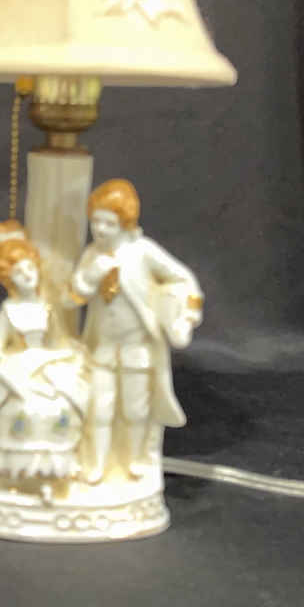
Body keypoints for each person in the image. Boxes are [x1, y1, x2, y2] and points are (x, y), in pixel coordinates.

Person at [68, 179, 203, 482]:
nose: (100, 229)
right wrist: (91, 276)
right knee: (99, 408)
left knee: (135, 408)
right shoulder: (92, 254)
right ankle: (97, 463)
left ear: (125, 223)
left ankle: (136, 458)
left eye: (109, 223)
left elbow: (184, 279)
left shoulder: (142, 252)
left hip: (137, 347)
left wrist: (185, 315)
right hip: (101, 347)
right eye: (96, 222)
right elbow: (74, 296)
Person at [0, 221, 88, 500]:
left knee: (60, 404)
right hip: (20, 364)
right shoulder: (9, 310)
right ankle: (19, 476)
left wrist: (64, 358)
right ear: (9, 278)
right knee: (24, 408)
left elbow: (60, 344)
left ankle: (53, 476)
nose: (27, 276)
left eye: (30, 268)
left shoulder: (47, 309)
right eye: (19, 273)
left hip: (47, 364)